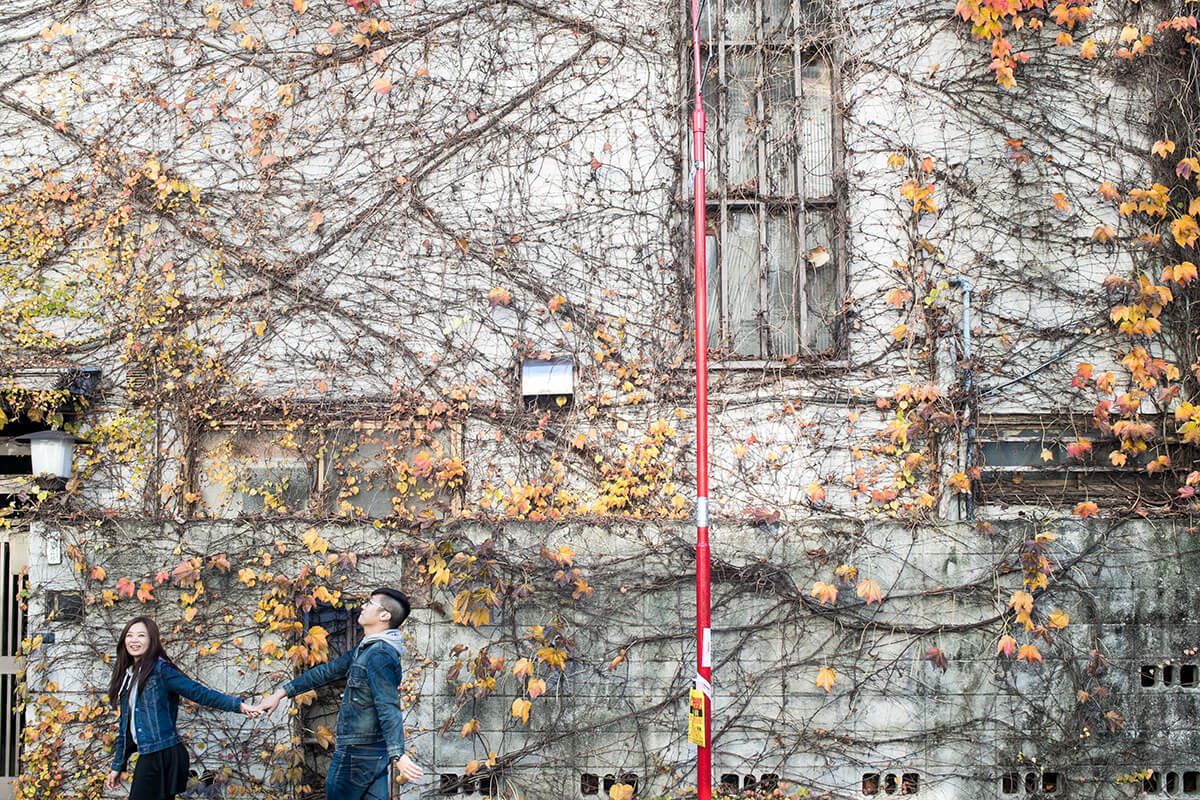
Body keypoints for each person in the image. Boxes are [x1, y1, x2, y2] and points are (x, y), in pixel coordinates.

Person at [259, 587, 422, 799]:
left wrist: (397, 754)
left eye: (370, 603)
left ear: (385, 616)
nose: (363, 606)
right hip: (370, 752)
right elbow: (326, 672)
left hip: (356, 753)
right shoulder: (367, 650)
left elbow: (387, 704)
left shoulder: (378, 654)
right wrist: (281, 693)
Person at [105, 616, 260, 800]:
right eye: (129, 635)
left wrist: (237, 706)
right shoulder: (129, 676)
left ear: (151, 640)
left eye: (141, 635)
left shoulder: (160, 671)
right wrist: (117, 766)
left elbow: (198, 693)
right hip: (152, 754)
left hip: (162, 754)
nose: (134, 640)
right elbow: (125, 728)